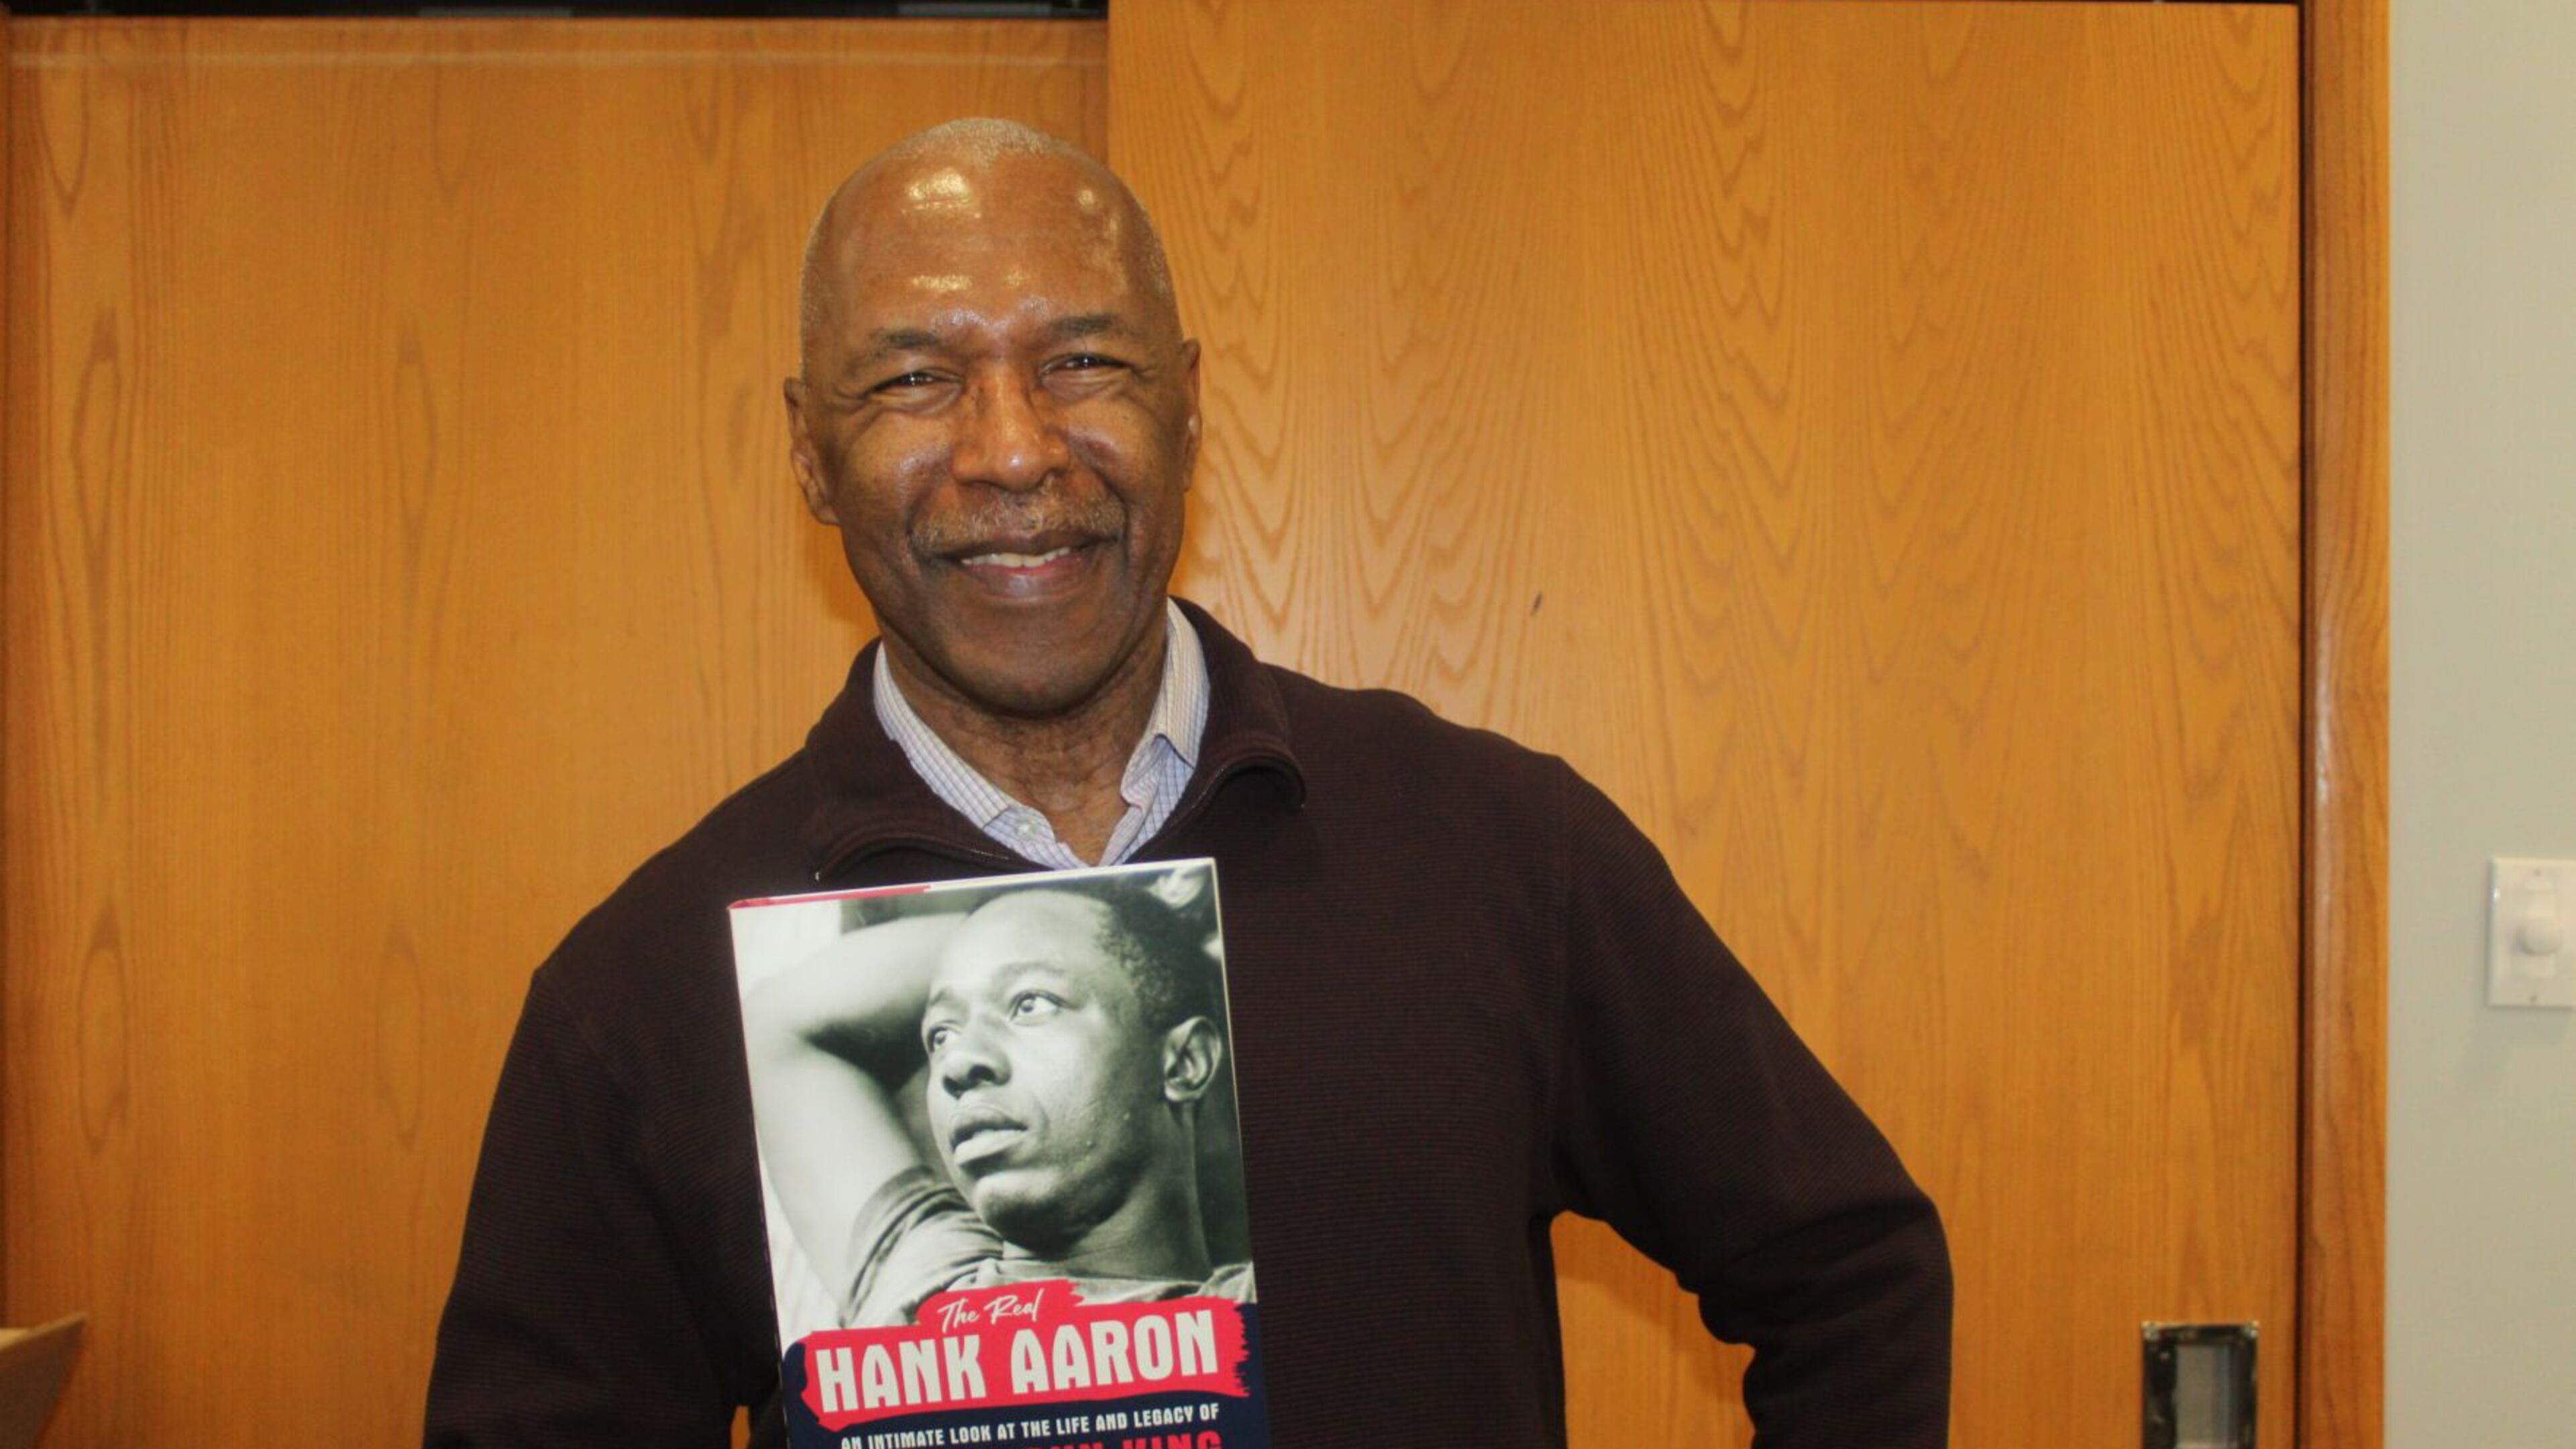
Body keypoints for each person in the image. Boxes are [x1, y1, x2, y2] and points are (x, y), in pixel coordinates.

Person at [426, 119, 1951, 1448]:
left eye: (1081, 359)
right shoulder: (641, 990)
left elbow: (1850, 1273)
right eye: (912, 377)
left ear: (1190, 404)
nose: (1013, 450)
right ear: (808, 456)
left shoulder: (1495, 853)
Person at [739, 875, 1252, 1330]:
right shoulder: (924, 1282)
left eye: (1030, 1004)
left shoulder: (1251, 1320)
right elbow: (774, 1024)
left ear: (1185, 1062)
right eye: (941, 1033)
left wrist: (1158, 936)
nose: (958, 1063)